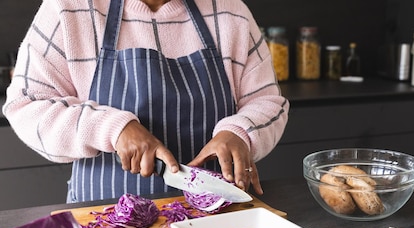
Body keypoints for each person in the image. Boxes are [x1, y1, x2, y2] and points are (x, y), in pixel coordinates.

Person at [2, 0, 288, 203]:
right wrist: (113, 129)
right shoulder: (69, 9)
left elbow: (267, 101)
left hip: (219, 221)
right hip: (107, 222)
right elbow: (27, 106)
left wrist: (238, 133)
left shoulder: (230, 12)